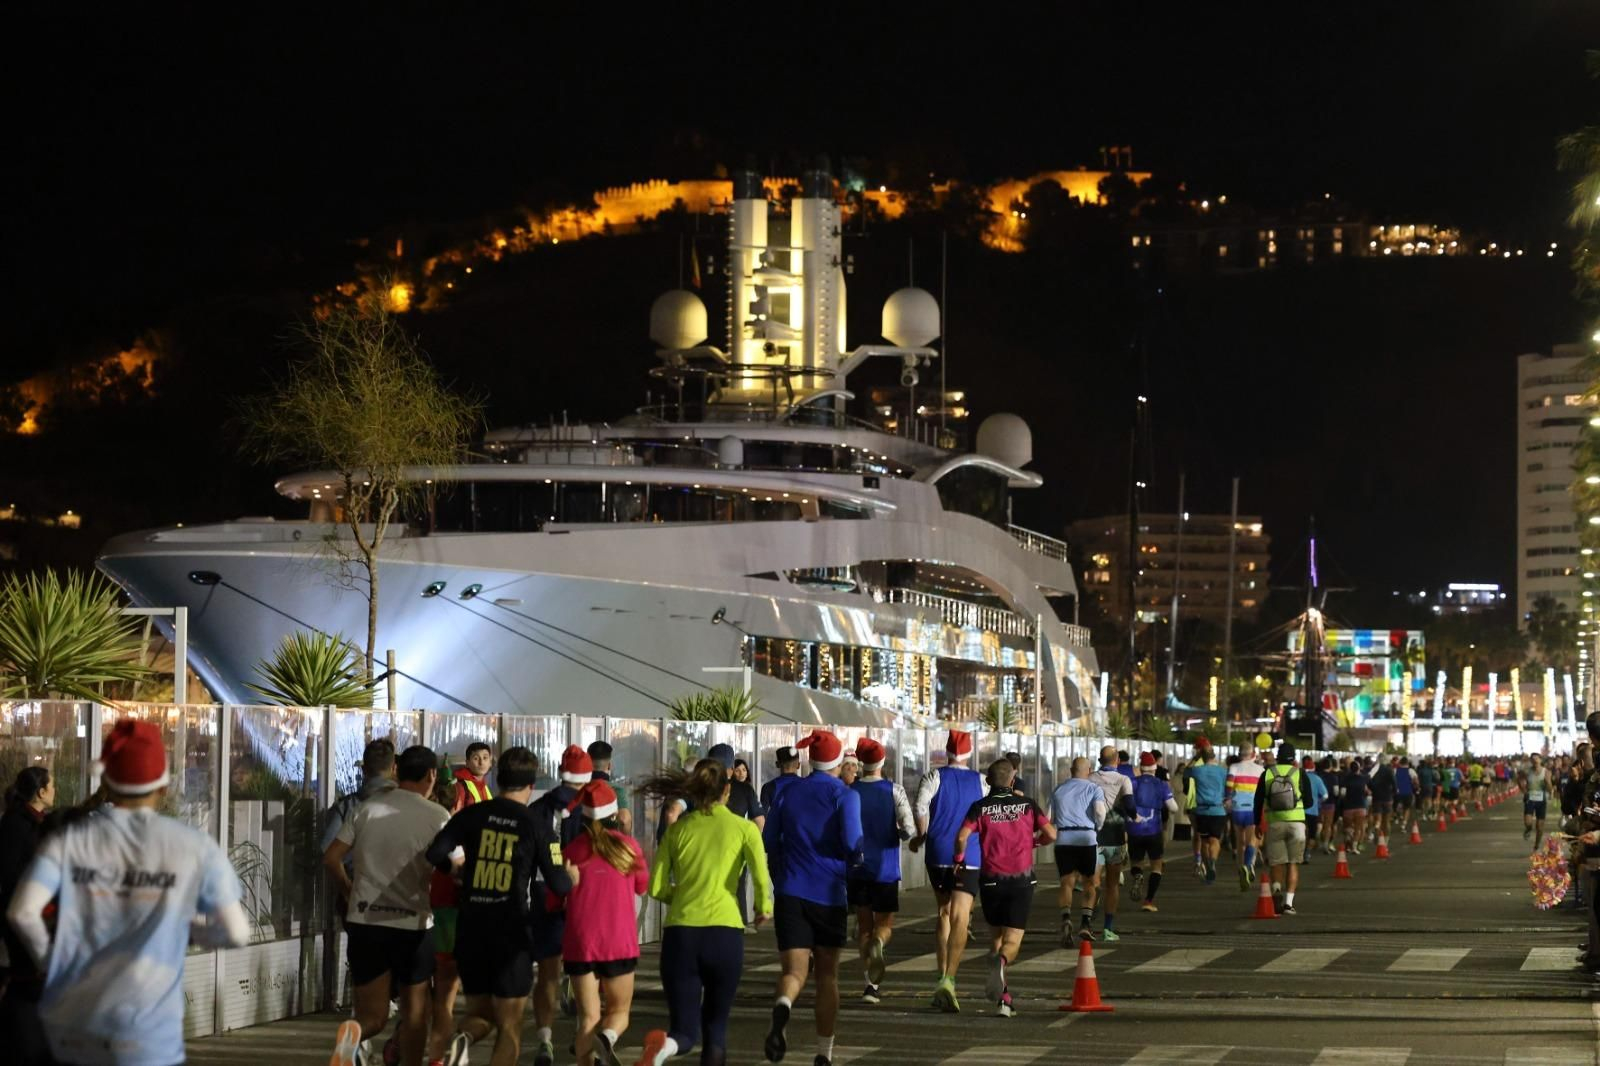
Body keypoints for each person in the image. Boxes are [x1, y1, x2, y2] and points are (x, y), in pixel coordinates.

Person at [8, 720, 249, 1066]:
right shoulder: (193, 846)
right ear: (163, 786)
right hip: (150, 1039)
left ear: (106, 781)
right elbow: (237, 932)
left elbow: (21, 913)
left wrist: (53, 963)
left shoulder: (69, 841)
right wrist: (186, 929)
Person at [426, 746, 576, 1066]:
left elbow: (436, 852)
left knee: (479, 1013)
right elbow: (559, 885)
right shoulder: (537, 825)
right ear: (531, 785)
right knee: (509, 1027)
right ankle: (464, 1042)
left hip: (470, 927)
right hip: (511, 931)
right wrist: (571, 875)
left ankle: (463, 1038)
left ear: (498, 779)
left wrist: (455, 872)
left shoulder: (472, 814)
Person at [635, 759, 772, 1066]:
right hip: (725, 932)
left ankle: (664, 1048)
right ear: (727, 789)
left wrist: (683, 896)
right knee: (716, 1029)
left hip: (680, 934)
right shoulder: (745, 829)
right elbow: (761, 876)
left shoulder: (677, 831)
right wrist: (763, 907)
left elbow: (656, 887)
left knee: (684, 1031)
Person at [324, 744, 446, 1066]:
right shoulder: (437, 816)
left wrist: (348, 890)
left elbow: (332, 857)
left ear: (397, 771)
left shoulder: (366, 808)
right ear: (432, 775)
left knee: (374, 1017)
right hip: (414, 927)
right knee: (415, 1014)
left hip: (365, 924)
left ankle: (353, 1033)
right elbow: (455, 866)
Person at [762, 731, 863, 1065]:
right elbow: (852, 845)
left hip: (791, 891)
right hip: (829, 894)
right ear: (838, 762)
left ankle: (783, 1005)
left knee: (793, 973)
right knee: (827, 977)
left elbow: (770, 841)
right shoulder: (845, 796)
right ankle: (824, 1053)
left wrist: (780, 876)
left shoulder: (787, 793)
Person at [953, 760, 1054, 1017]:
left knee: (996, 938)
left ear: (988, 781)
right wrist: (1036, 843)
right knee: (1012, 942)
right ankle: (1003, 962)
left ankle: (1004, 999)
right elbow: (1051, 834)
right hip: (1021, 881)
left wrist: (959, 861)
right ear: (1012, 780)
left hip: (990, 881)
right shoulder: (1028, 805)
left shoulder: (980, 807)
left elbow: (962, 837)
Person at [561, 780, 647, 1066]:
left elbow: (553, 898)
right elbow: (642, 886)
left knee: (587, 1018)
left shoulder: (572, 851)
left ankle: (594, 1048)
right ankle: (608, 1038)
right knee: (619, 1011)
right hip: (618, 943)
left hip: (580, 943)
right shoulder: (628, 847)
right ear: (614, 814)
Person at [524, 745, 595, 1066]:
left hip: (544, 894)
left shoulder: (538, 808)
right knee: (586, 973)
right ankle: (583, 1036)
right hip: (582, 896)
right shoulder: (593, 809)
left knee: (548, 974)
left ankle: (544, 1040)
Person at [911, 730, 986, 1007]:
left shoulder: (934, 776)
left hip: (937, 853)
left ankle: (940, 975)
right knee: (961, 917)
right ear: (969, 753)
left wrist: (921, 835)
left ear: (947, 751)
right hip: (969, 855)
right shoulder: (980, 781)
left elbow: (920, 807)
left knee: (943, 912)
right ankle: (949, 980)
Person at [848, 737, 914, 1004]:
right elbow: (909, 829)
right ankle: (880, 942)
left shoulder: (849, 791)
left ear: (861, 763)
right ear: (882, 761)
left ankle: (870, 986)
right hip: (885, 868)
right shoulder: (893, 790)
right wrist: (896, 833)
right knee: (884, 924)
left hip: (856, 867)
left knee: (863, 926)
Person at [0, 766, 55, 1066]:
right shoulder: (16, 825)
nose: (55, 789)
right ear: (41, 791)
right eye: (53, 784)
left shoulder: (39, 823)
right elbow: (10, 876)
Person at [1049, 756, 1106, 944]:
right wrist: (1098, 826)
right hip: (1086, 839)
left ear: (1071, 770)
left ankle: (1065, 918)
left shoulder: (1058, 790)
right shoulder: (1094, 789)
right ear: (1088, 770)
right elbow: (1099, 812)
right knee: (1090, 883)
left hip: (1063, 839)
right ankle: (1085, 923)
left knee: (1066, 882)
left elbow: (1049, 817)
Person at [1255, 743, 1310, 914]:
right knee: (1293, 863)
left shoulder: (1267, 773)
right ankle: (1288, 903)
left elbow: (1257, 802)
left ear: (1278, 757)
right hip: (1297, 823)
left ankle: (1276, 889)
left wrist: (1257, 823)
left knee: (1277, 862)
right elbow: (1309, 802)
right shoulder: (1300, 774)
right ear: (1294, 758)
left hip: (1274, 823)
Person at [1088, 746, 1136, 940]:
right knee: (1113, 884)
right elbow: (1130, 805)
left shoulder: (1090, 778)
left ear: (1100, 759)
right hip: (1115, 836)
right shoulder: (1123, 780)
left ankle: (1088, 921)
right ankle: (1108, 928)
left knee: (1093, 882)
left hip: (1094, 836)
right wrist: (1134, 816)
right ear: (1117, 759)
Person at [1127, 753, 1177, 912]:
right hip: (1154, 830)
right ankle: (1148, 901)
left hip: (1134, 830)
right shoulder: (1162, 784)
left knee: (1136, 862)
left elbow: (1125, 803)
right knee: (1156, 866)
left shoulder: (1132, 783)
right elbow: (1174, 807)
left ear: (1141, 768)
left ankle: (1137, 875)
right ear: (1155, 768)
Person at [1225, 740, 1266, 889]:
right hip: (1252, 810)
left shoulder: (1233, 767)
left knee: (1239, 842)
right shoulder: (1260, 770)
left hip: (1237, 809)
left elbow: (1229, 786)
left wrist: (1227, 800)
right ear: (1253, 754)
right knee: (1252, 842)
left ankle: (1240, 870)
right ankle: (1248, 866)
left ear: (1239, 753)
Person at [1186, 740, 1227, 884]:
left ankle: (1206, 864)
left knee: (1204, 841)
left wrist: (1195, 758)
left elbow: (1186, 772)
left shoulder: (1197, 770)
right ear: (1214, 756)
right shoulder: (1223, 771)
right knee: (1215, 840)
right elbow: (1228, 789)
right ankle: (1213, 862)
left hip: (1202, 810)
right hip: (1218, 810)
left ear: (1202, 757)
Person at [589, 740, 634, 835]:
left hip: (581, 845)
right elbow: (624, 820)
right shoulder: (617, 790)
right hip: (608, 847)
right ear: (609, 766)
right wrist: (625, 843)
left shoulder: (579, 788)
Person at [1300, 757, 1328, 865]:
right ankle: (1307, 853)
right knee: (1312, 833)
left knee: (1300, 833)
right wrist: (1319, 801)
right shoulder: (1317, 779)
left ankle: (1299, 852)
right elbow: (1325, 795)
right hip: (1313, 810)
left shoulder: (1298, 778)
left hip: (1298, 811)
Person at [1340, 757, 1371, 854]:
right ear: (1359, 768)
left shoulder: (1345, 779)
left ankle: (1348, 845)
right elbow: (1367, 792)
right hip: (1360, 806)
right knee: (1358, 829)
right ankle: (1354, 847)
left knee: (1348, 828)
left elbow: (1342, 793)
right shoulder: (1363, 779)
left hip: (1348, 807)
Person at [453, 742, 495, 811]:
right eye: (476, 758)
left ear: (490, 763)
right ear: (467, 763)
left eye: (485, 758)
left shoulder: (484, 785)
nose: (481, 762)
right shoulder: (460, 786)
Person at [1524, 753, 1552, 851]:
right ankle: (1528, 829)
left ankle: (1536, 845)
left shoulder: (1546, 772)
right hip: (1530, 800)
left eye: (1537, 758)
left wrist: (1548, 782)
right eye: (1533, 759)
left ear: (1540, 760)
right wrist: (1524, 791)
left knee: (1539, 827)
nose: (1535, 760)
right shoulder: (1528, 771)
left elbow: (1550, 789)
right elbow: (1519, 779)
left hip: (1541, 801)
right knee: (1528, 822)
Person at [760, 747, 802, 812]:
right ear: (798, 765)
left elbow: (762, 816)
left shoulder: (768, 787)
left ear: (777, 764)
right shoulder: (808, 785)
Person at [1370, 757, 1396, 843]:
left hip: (1377, 797)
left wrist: (1373, 790)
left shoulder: (1374, 770)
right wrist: (1394, 792)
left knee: (1378, 819)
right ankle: (1386, 841)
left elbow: (1369, 781)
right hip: (1387, 797)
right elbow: (1394, 782)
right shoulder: (1389, 770)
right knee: (1386, 821)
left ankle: (1376, 828)